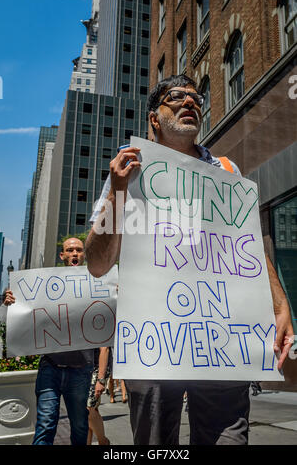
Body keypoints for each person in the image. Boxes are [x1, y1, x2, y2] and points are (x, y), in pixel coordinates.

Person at [85, 74, 294, 445]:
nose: (190, 102)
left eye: (196, 98)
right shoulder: (129, 171)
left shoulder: (226, 172)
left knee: (230, 437)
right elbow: (98, 264)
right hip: (155, 342)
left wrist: (280, 305)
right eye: (177, 96)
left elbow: (250, 249)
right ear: (154, 118)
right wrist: (117, 192)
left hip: (222, 338)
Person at [4, 238, 98, 445]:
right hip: (51, 367)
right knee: (45, 424)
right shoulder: (45, 283)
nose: (74, 253)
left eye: (79, 250)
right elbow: (27, 312)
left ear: (84, 254)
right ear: (62, 255)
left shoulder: (97, 284)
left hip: (81, 369)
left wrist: (115, 295)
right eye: (69, 250)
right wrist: (11, 299)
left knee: (80, 425)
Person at [87, 347, 110, 445]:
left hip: (97, 368)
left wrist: (101, 379)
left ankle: (103, 441)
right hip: (80, 370)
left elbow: (104, 348)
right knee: (83, 413)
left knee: (89, 408)